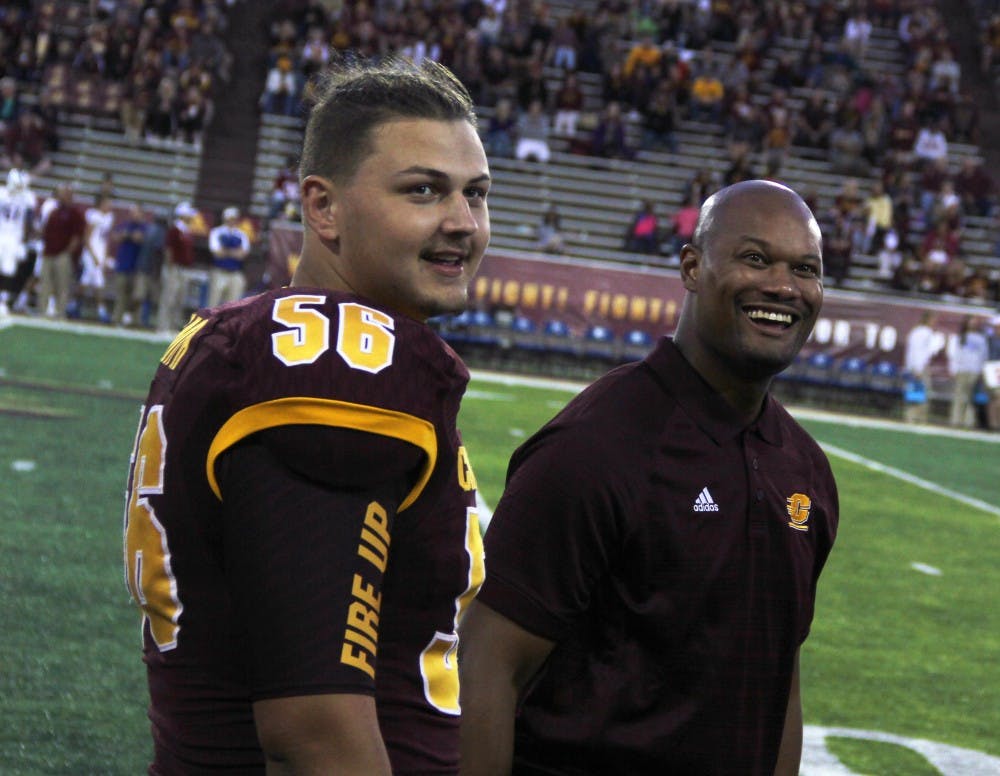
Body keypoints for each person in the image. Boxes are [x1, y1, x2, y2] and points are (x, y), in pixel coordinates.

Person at [123, 57, 490, 774]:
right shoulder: (333, 363)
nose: (462, 223)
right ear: (323, 208)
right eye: (423, 190)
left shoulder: (244, 336)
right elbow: (315, 730)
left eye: (476, 194)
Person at [459, 180, 838, 775]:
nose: (783, 286)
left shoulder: (805, 469)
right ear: (692, 268)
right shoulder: (597, 444)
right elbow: (485, 664)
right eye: (755, 258)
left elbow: (778, 682)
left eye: (805, 269)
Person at [38, 183, 85, 318]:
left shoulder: (75, 214)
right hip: (48, 253)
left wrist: (67, 253)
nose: (61, 196)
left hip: (62, 255)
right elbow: (46, 232)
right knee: (45, 284)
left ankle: (60, 313)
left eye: (63, 194)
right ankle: (42, 312)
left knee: (62, 286)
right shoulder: (54, 212)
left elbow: (77, 236)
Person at [155, 201, 199, 333]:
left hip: (184, 268)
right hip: (175, 268)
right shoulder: (174, 230)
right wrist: (170, 267)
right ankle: (163, 325)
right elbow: (168, 249)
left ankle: (173, 325)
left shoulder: (187, 231)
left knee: (180, 298)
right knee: (169, 297)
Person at [0, 168, 36, 316]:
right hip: (4, 235)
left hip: (14, 238)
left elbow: (29, 219)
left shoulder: (26, 197)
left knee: (8, 270)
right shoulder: (2, 194)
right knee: (6, 270)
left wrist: (25, 238)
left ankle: (3, 300)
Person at [947, 315, 989, 428]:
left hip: (974, 370)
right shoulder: (961, 337)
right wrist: (954, 368)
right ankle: (956, 420)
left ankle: (969, 421)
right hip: (962, 370)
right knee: (959, 395)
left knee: (971, 397)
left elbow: (983, 356)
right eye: (971, 322)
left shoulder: (981, 338)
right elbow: (955, 354)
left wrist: (981, 371)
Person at [79, 194, 116, 322]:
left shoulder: (109, 217)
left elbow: (106, 239)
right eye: (107, 203)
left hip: (99, 252)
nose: (109, 206)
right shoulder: (93, 215)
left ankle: (74, 304)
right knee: (98, 280)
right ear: (101, 204)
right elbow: (87, 238)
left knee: (86, 279)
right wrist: (93, 255)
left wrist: (105, 255)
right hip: (91, 252)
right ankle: (102, 311)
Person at [206, 206, 251, 307]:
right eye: (231, 218)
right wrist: (234, 252)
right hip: (220, 271)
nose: (233, 221)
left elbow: (243, 254)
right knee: (213, 303)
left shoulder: (241, 234)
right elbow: (217, 253)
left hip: (235, 273)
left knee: (233, 305)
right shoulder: (216, 232)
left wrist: (226, 251)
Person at [903, 310, 940, 424]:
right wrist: (918, 369)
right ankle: (919, 419)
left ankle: (910, 417)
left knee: (913, 392)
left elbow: (911, 351)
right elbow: (920, 352)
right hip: (920, 366)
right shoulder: (926, 333)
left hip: (913, 366)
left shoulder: (915, 331)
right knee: (922, 393)